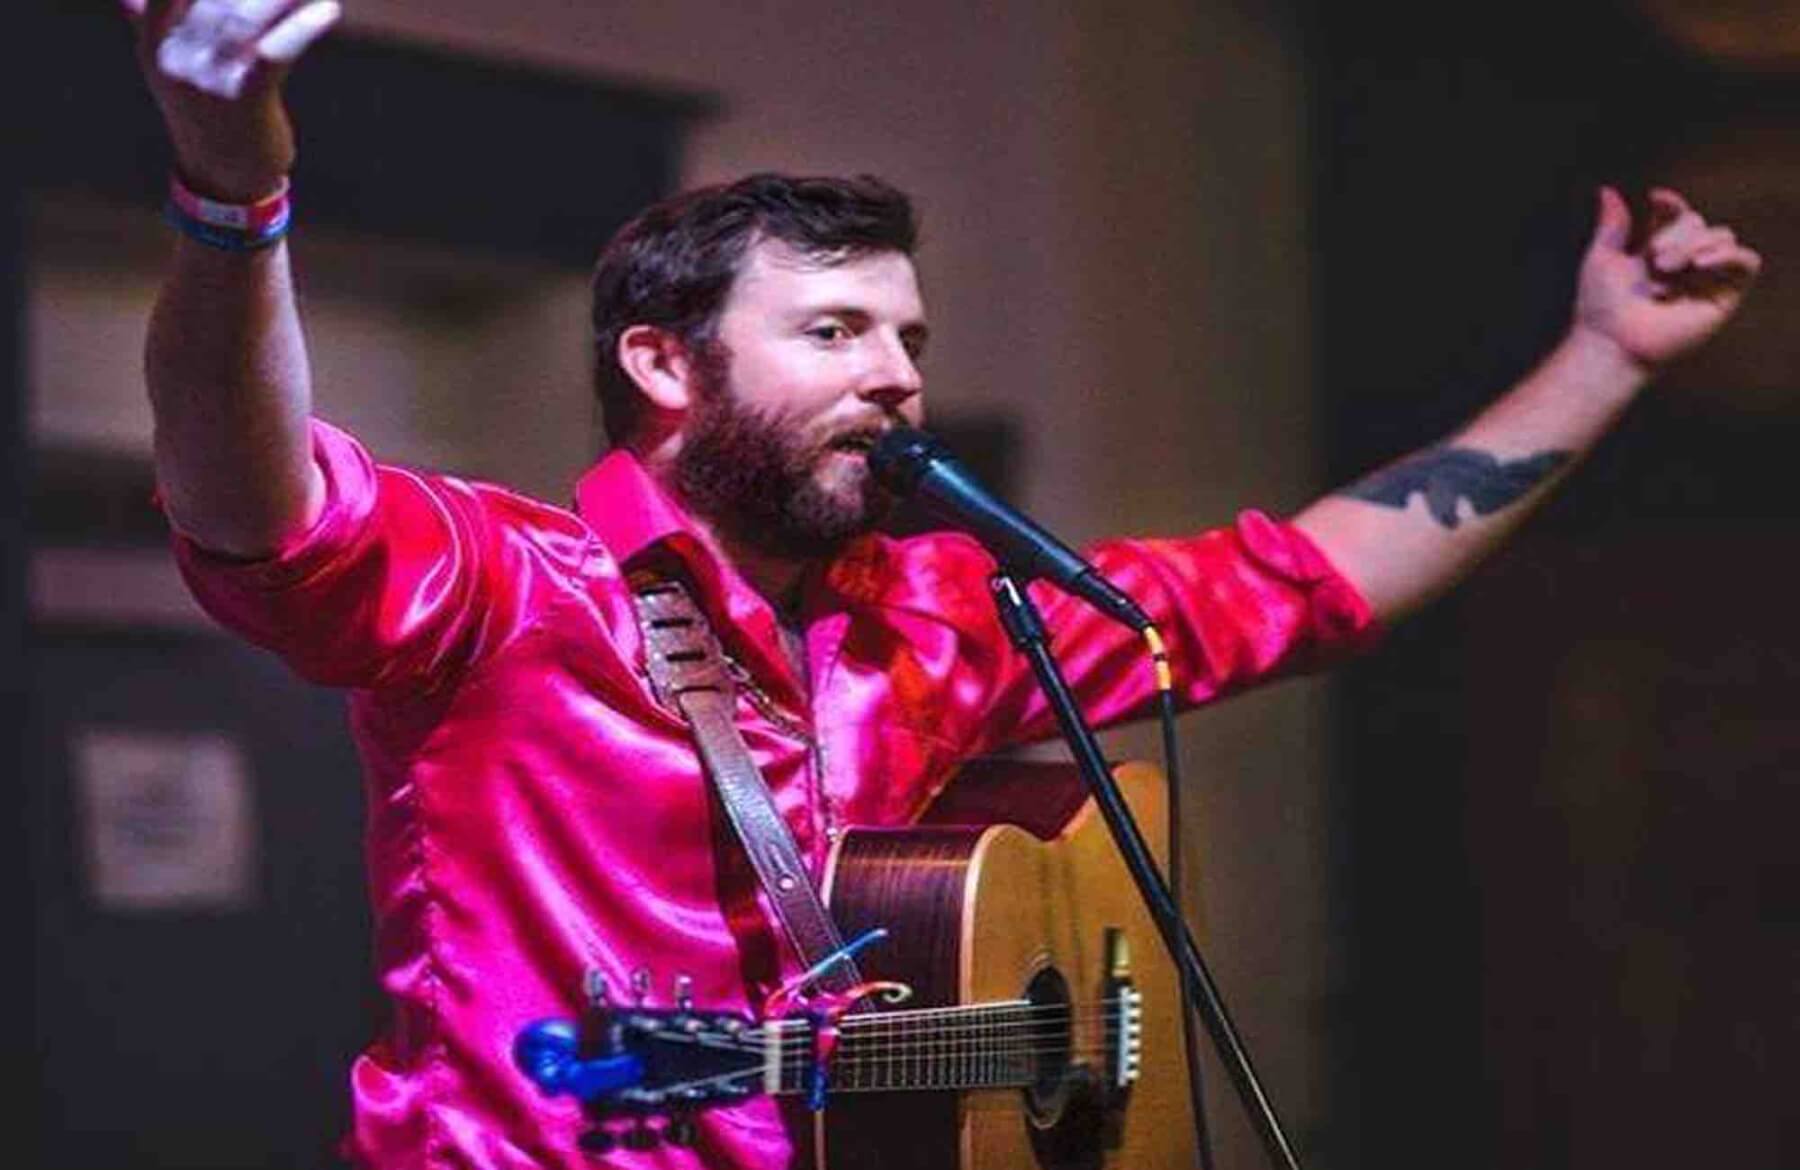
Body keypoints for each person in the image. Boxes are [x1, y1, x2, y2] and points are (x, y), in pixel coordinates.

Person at [122, 1, 1761, 1168]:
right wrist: (231, 196)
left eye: (910, 334)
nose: (899, 372)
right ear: (661, 364)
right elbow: (254, 502)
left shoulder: (946, 616)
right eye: (835, 332)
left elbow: (1314, 578)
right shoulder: (509, 585)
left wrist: (1602, 362)